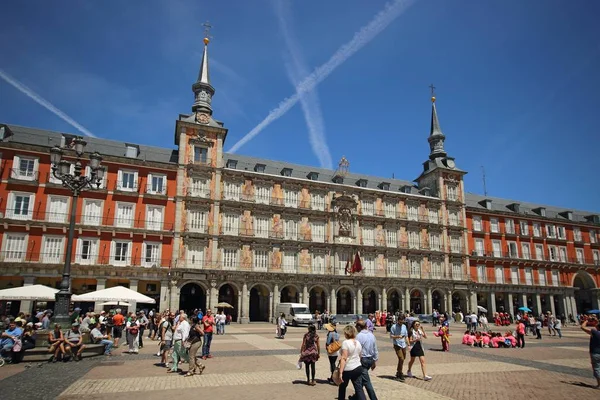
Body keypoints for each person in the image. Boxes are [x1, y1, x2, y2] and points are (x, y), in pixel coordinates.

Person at [337, 325, 366, 400]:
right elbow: (360, 356)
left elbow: (344, 358)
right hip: (358, 367)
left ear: (346, 333)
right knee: (359, 388)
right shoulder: (358, 342)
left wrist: (340, 372)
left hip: (348, 368)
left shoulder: (346, 343)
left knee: (342, 387)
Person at [355, 320, 378, 400]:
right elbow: (375, 349)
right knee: (360, 379)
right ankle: (356, 396)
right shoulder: (371, 335)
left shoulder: (359, 336)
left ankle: (374, 398)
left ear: (358, 327)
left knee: (366, 382)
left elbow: (357, 350)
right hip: (370, 359)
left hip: (363, 360)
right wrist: (374, 361)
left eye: (356, 327)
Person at [580, 316, 600, 389]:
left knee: (597, 368)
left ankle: (599, 384)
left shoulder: (595, 333)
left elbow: (582, 327)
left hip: (595, 353)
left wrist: (586, 320)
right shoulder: (595, 332)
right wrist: (596, 321)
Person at [390, 314, 409, 382]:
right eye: (400, 322)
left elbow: (406, 336)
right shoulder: (394, 326)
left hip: (403, 344)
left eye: (402, 321)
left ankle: (398, 372)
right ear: (398, 320)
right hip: (397, 344)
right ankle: (400, 373)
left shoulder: (404, 326)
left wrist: (408, 344)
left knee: (403, 359)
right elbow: (391, 336)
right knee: (401, 358)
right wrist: (397, 336)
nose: (401, 323)